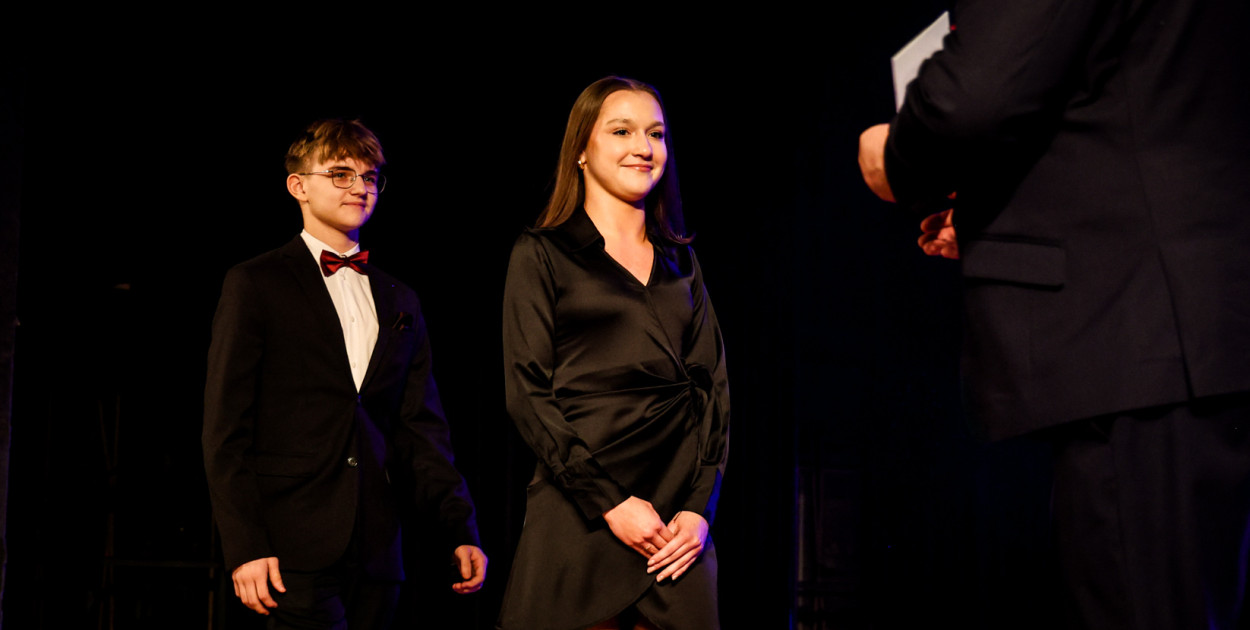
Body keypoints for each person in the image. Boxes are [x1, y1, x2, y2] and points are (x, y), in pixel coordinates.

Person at [858, 1, 1250, 628]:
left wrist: (896, 156)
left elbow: (976, 94)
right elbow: (1133, 105)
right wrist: (990, 214)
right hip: (1191, 331)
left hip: (1138, 342)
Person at [203, 119, 487, 628]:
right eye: (341, 174)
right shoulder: (256, 283)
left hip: (378, 547)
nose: (360, 187)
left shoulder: (401, 298)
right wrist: (245, 545)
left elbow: (422, 429)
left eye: (370, 176)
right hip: (289, 544)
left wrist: (459, 528)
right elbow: (226, 428)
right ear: (298, 186)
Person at [498, 77, 730, 630]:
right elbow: (527, 393)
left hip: (676, 523)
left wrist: (700, 509)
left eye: (656, 133)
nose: (643, 147)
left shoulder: (682, 261)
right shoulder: (543, 253)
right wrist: (609, 502)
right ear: (581, 149)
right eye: (622, 131)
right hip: (581, 506)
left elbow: (714, 391)